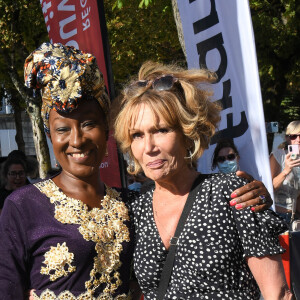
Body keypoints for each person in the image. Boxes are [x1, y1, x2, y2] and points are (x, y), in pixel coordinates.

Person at [113, 61, 293, 299]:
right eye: (137, 135)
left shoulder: (232, 194)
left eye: (161, 130)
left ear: (188, 134)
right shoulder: (133, 209)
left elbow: (277, 293)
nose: (148, 147)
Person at [0, 43, 135, 299]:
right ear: (49, 136)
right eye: (63, 129)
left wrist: (229, 191)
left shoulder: (131, 204)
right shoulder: (22, 206)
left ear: (106, 130)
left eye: (88, 124)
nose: (77, 140)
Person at [270, 121, 300, 224]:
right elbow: (268, 188)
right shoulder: (278, 155)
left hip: (294, 218)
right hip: (277, 215)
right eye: (293, 136)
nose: (298, 140)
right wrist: (286, 170)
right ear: (287, 138)